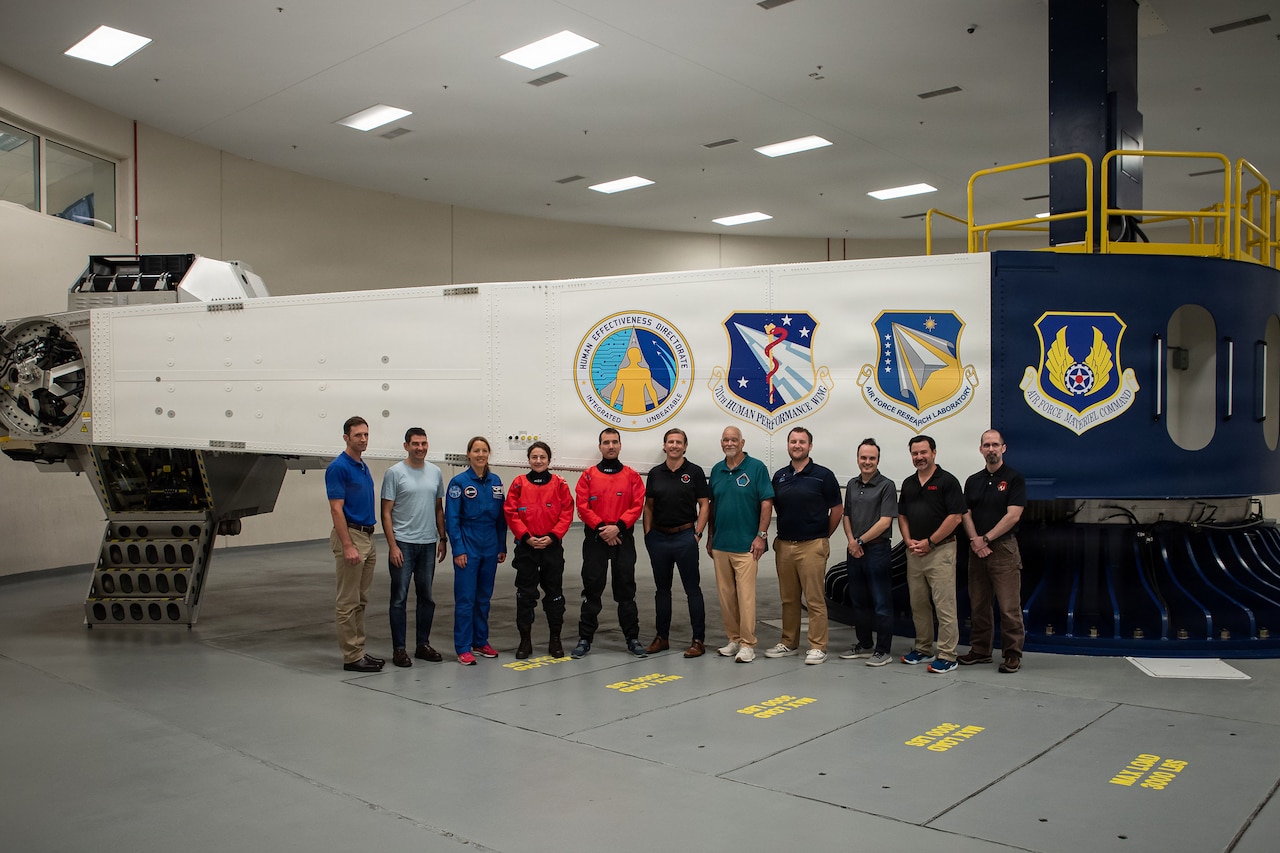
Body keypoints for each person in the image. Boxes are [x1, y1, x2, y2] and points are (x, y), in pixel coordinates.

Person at [765, 427, 843, 665]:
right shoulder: (779, 476)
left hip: (813, 546)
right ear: (788, 445)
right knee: (788, 599)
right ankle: (789, 642)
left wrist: (821, 536)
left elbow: (837, 510)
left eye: (802, 442)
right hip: (785, 546)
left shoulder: (824, 475)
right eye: (793, 441)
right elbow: (774, 507)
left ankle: (818, 646)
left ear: (810, 446)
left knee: (814, 598)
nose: (797, 445)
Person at [572, 428, 646, 658]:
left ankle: (632, 638)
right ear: (600, 446)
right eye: (606, 442)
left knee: (626, 589)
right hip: (596, 539)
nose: (611, 446)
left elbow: (637, 505)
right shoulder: (588, 476)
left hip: (623, 538)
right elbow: (582, 506)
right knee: (592, 589)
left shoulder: (632, 476)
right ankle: (584, 639)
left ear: (620, 445)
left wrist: (618, 528)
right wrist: (604, 528)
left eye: (614, 442)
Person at [960, 429, 1028, 674]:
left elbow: (1014, 515)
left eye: (995, 445)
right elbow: (965, 513)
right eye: (986, 445)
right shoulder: (972, 480)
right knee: (979, 604)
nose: (991, 449)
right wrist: (975, 541)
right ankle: (980, 650)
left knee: (1009, 607)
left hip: (1003, 549)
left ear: (1003, 448)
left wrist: (986, 538)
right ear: (980, 449)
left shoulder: (1014, 478)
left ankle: (1012, 654)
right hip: (976, 549)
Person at [897, 434, 966, 674]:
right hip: (914, 552)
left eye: (923, 452)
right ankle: (923, 648)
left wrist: (930, 542)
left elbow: (956, 517)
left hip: (941, 550)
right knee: (918, 604)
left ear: (934, 453)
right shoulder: (908, 483)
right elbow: (902, 515)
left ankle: (948, 655)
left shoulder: (948, 481)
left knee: (944, 605)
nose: (919, 457)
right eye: (915, 453)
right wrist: (908, 540)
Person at [380, 427, 448, 668]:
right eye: (416, 443)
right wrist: (392, 545)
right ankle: (399, 648)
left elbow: (438, 507)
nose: (420, 448)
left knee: (426, 597)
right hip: (403, 544)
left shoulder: (436, 472)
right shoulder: (394, 473)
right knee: (399, 598)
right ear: (406, 445)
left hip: (428, 544)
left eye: (424, 443)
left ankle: (422, 644)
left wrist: (442, 538)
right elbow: (386, 513)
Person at [706, 425, 774, 663]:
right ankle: (733, 639)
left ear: (742, 443)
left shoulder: (756, 468)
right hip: (721, 544)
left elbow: (767, 503)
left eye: (734, 439)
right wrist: (710, 536)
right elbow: (711, 507)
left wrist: (761, 536)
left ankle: (748, 644)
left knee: (745, 597)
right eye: (725, 439)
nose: (729, 443)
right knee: (726, 596)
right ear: (721, 443)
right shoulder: (717, 470)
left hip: (747, 545)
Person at [642, 428, 710, 658]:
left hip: (685, 537)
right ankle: (662, 637)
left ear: (685, 446)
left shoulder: (695, 472)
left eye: (678, 442)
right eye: (670, 442)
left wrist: (698, 533)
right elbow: (648, 506)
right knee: (662, 590)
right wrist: (648, 535)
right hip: (659, 538)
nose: (674, 445)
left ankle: (698, 640)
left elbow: (704, 504)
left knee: (693, 590)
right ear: (664, 446)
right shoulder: (655, 473)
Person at [504, 441, 574, 659]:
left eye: (542, 457)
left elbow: (566, 512)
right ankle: (525, 640)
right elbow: (511, 512)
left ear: (549, 460)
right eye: (534, 457)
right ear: (528, 460)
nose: (538, 461)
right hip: (527, 549)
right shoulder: (518, 483)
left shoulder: (560, 484)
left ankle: (555, 639)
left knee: (554, 595)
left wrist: (552, 537)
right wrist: (526, 538)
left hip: (551, 548)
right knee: (525, 596)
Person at [326, 416, 384, 673]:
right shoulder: (339, 467)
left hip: (367, 537)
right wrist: (348, 545)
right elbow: (336, 510)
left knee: (360, 600)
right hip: (351, 536)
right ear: (346, 437)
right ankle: (351, 656)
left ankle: (358, 650)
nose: (363, 439)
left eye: (366, 435)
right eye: (358, 435)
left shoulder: (361, 465)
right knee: (348, 601)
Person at [445, 436, 508, 665]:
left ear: (488, 454)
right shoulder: (459, 483)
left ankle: (480, 641)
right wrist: (458, 550)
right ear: (469, 454)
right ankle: (463, 646)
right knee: (465, 599)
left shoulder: (496, 481)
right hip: (468, 544)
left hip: (490, 544)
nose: (480, 454)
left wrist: (501, 545)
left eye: (484, 450)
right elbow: (452, 519)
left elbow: (502, 517)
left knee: (484, 598)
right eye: (476, 450)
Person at [839, 438, 898, 667]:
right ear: (857, 459)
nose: (867, 462)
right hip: (855, 551)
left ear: (878, 460)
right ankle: (864, 645)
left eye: (872, 458)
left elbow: (885, 522)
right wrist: (852, 542)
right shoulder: (853, 485)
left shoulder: (887, 485)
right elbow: (847, 516)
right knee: (858, 600)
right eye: (863, 458)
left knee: (881, 602)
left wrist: (860, 540)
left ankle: (883, 650)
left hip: (877, 551)